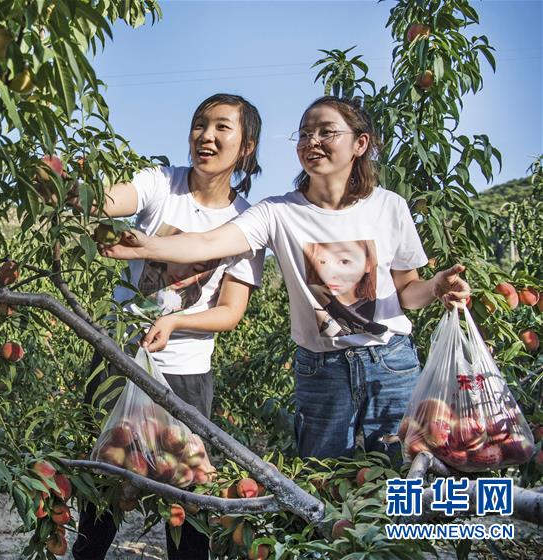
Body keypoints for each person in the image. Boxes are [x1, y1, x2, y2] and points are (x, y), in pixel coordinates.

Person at [106, 96, 471, 461]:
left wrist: (435, 287)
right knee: (324, 477)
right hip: (322, 369)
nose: (312, 142)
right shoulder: (277, 213)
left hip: (389, 363)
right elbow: (209, 242)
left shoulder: (389, 206)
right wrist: (147, 246)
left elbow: (407, 292)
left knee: (402, 468)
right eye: (305, 134)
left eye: (326, 132)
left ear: (360, 143)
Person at [74, 93, 266, 560]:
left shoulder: (247, 223)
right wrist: (72, 187)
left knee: (188, 495)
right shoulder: (163, 183)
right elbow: (112, 199)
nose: (206, 135)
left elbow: (230, 310)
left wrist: (177, 320)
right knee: (104, 481)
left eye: (222, 127)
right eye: (200, 124)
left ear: (246, 146)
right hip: (121, 360)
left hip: (185, 373)